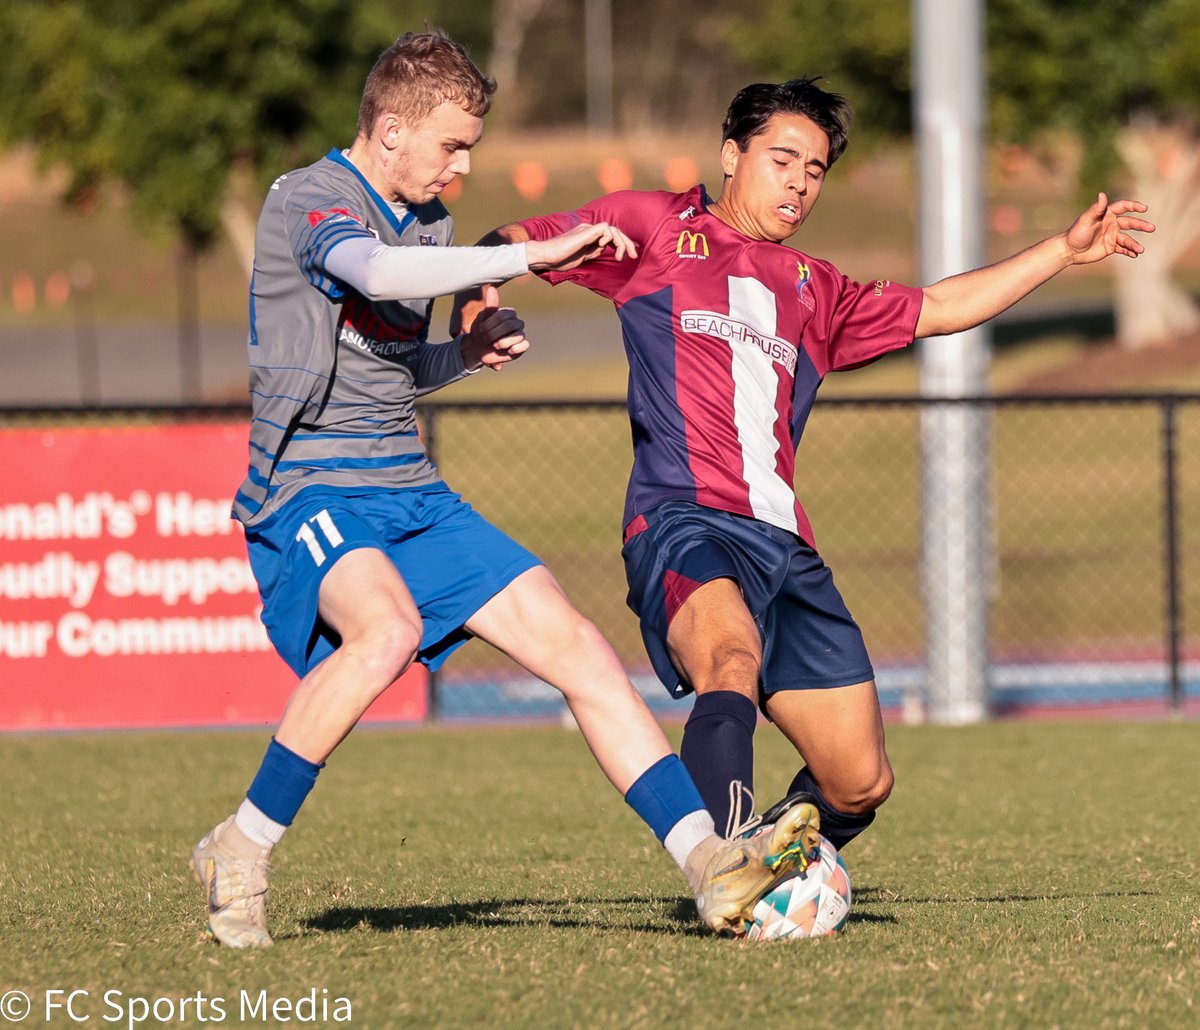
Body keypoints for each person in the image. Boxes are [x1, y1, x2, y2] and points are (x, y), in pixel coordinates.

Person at [192, 33, 822, 950]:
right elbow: (372, 272)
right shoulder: (309, 199)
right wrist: (528, 256)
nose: (463, 166)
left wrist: (460, 357)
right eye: (452, 145)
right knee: (389, 631)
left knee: (576, 645)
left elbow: (385, 367)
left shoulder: (429, 221)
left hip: (409, 487)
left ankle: (708, 864)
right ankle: (239, 848)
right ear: (392, 127)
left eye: (471, 148)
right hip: (309, 484)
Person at [463, 78, 1154, 850]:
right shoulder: (657, 226)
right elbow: (513, 238)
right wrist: (477, 294)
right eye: (782, 159)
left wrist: (1062, 250)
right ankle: (718, 868)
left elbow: (943, 307)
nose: (798, 182)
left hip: (785, 547)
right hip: (681, 520)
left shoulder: (816, 289)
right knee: (730, 659)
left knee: (859, 780)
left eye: (816, 169)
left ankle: (774, 863)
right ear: (732, 155)